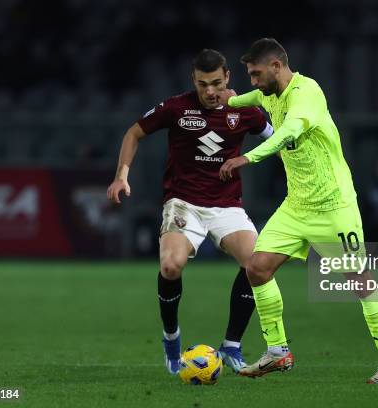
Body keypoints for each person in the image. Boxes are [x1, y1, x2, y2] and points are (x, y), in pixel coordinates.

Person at [217, 38, 378, 383]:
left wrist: (247, 157)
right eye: (249, 76)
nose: (254, 81)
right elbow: (242, 98)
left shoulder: (307, 94)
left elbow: (288, 133)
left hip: (334, 207)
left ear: (276, 66)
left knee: (360, 283)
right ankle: (277, 351)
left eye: (256, 74)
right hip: (296, 207)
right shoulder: (268, 93)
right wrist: (223, 97)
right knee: (256, 268)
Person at [107, 49, 274, 375]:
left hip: (227, 205)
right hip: (183, 203)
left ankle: (232, 345)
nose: (209, 92)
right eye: (202, 84)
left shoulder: (246, 112)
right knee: (170, 266)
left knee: (258, 265)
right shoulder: (176, 107)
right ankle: (171, 337)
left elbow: (277, 139)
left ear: (227, 78)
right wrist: (121, 175)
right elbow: (134, 132)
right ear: (193, 82)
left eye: (215, 83)